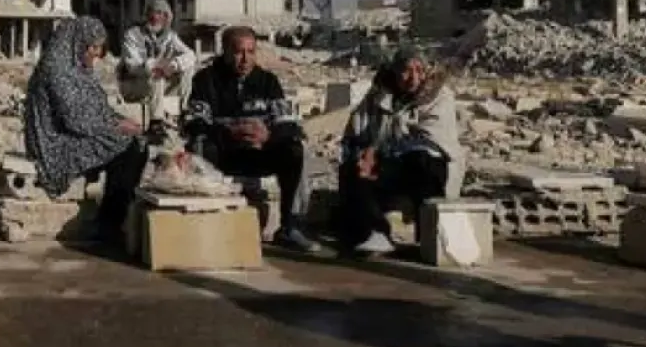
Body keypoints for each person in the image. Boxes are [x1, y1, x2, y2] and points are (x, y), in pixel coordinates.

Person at [183, 25, 317, 252]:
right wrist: (229, 132)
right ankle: (205, 222)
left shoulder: (268, 82)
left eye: (251, 52)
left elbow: (288, 124)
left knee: (295, 149)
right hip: (224, 154)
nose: (245, 59)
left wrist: (268, 135)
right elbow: (194, 124)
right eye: (238, 52)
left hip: (259, 153)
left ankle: (290, 226)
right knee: (201, 146)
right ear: (224, 52)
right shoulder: (205, 80)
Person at [24, 16, 148, 247]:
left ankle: (114, 215)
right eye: (93, 47)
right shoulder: (57, 70)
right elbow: (75, 120)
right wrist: (117, 126)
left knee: (136, 142)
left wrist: (122, 121)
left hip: (73, 133)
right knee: (126, 147)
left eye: (100, 47)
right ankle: (109, 224)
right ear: (77, 43)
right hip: (55, 144)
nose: (97, 53)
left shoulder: (78, 70)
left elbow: (97, 110)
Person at [335, 47, 463, 256]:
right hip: (389, 165)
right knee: (352, 169)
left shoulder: (440, 97)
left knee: (421, 160)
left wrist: (377, 152)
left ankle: (430, 234)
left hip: (427, 167)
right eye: (406, 70)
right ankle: (375, 232)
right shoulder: (378, 96)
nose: (413, 78)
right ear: (395, 72)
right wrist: (361, 156)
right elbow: (355, 132)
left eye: (419, 70)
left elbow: (430, 142)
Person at [117, 0, 197, 137]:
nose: (160, 17)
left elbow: (190, 55)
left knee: (187, 68)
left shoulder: (170, 36)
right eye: (157, 13)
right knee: (157, 74)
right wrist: (157, 65)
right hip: (133, 84)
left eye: (164, 14)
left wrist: (173, 65)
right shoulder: (133, 35)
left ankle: (185, 112)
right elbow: (132, 66)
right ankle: (156, 122)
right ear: (148, 15)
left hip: (156, 86)